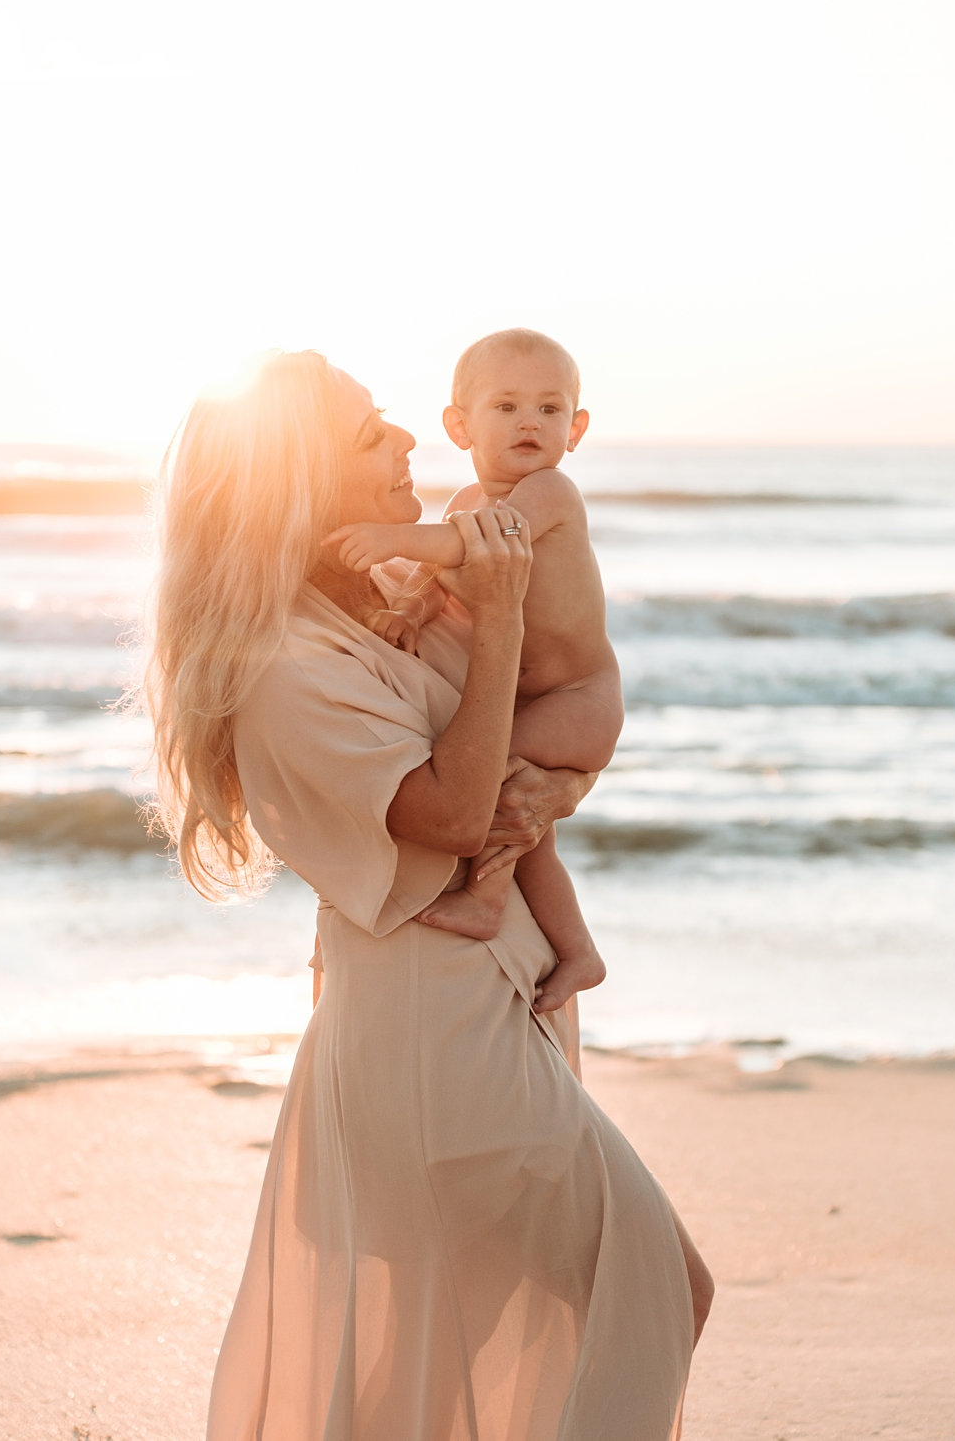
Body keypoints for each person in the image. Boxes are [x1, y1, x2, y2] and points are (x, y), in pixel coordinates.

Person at [145, 350, 712, 1441]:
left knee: (463, 1351)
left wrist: (547, 736)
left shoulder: (375, 606)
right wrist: (498, 617)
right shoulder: (282, 663)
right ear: (301, 484)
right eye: (370, 434)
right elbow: (452, 815)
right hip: (430, 1023)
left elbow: (523, 737)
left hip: (488, 992)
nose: (408, 441)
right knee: (657, 1291)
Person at [327, 329, 617, 1014]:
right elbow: (446, 572)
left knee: (494, 787)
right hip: (536, 700)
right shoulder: (462, 506)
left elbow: (479, 548)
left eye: (549, 410)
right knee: (526, 825)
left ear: (574, 429)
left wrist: (392, 539)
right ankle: (578, 950)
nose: (528, 422)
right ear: (459, 426)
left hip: (579, 698)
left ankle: (485, 902)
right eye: (506, 406)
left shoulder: (549, 493)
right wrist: (411, 606)